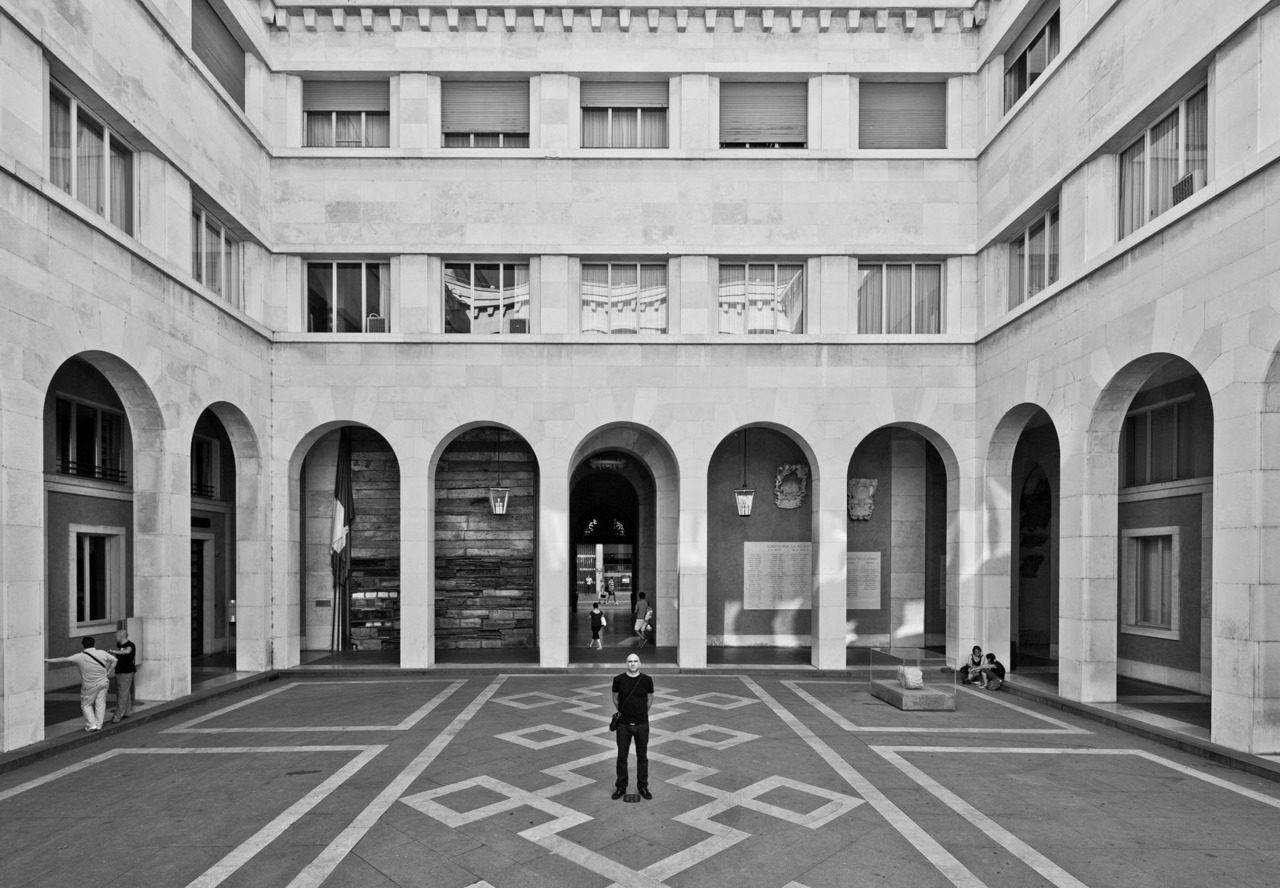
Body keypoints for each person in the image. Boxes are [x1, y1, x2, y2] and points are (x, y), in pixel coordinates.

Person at [44, 636, 117, 732]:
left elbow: (64, 659)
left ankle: (92, 725)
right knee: (100, 703)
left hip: (90, 686)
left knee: (86, 705)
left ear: (82, 645)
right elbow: (115, 660)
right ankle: (99, 725)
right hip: (104, 682)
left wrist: (47, 660)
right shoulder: (102, 653)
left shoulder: (79, 656)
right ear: (94, 644)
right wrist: (109, 671)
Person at [611, 653, 654, 800]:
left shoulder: (647, 680)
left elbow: (649, 699)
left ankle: (643, 787)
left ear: (640, 663)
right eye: (630, 661)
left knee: (642, 757)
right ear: (626, 663)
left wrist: (641, 713)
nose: (633, 664)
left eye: (635, 661)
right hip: (623, 725)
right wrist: (624, 712)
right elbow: (615, 698)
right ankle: (621, 787)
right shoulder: (618, 680)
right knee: (622, 757)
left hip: (642, 724)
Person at [108, 628, 138, 722]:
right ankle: (126, 712)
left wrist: (113, 651)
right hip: (119, 671)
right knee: (125, 692)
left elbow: (127, 652)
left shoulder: (130, 645)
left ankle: (118, 716)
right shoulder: (119, 644)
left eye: (116, 636)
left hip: (126, 672)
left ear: (121, 636)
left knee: (122, 693)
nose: (114, 638)